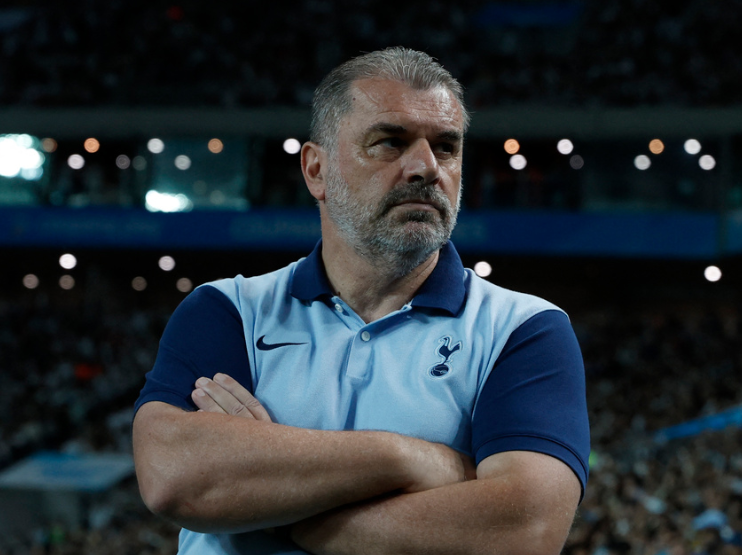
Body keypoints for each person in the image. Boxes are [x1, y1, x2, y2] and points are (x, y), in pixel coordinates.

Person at [132, 46, 590, 555]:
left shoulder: (525, 329)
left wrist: (273, 505)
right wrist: (406, 459)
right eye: (390, 143)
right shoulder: (226, 310)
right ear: (316, 170)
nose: (426, 168)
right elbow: (173, 477)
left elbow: (521, 532)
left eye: (445, 147)